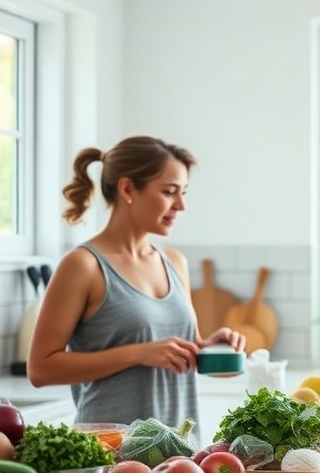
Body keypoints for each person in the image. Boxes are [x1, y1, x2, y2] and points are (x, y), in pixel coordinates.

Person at [27, 135, 246, 433]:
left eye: (183, 192)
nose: (180, 205)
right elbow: (40, 369)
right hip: (110, 451)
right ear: (127, 188)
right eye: (169, 192)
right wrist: (137, 353)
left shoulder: (174, 262)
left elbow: (183, 351)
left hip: (180, 451)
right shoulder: (83, 265)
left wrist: (212, 348)